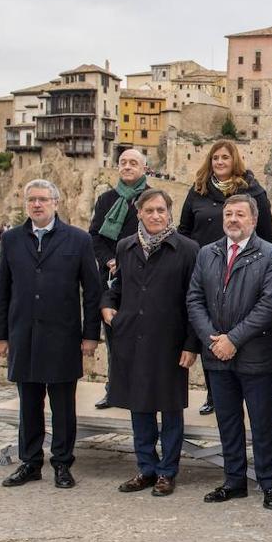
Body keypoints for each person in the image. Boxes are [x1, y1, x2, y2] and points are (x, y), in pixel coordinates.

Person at [0, 179, 101, 489]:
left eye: (43, 199)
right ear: (26, 204)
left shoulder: (78, 240)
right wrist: (0, 335)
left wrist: (90, 335)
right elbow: (3, 290)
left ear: (56, 202)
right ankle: (30, 462)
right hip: (23, 335)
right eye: (32, 200)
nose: (37, 205)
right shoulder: (12, 239)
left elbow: (92, 292)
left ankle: (62, 463)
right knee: (28, 404)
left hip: (63, 336)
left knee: (63, 406)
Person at [186, 194, 272, 509]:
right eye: (228, 214)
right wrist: (212, 338)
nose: (232, 219)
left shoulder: (271, 255)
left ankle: (269, 484)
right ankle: (234, 481)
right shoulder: (207, 253)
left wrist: (234, 339)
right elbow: (194, 298)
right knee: (227, 422)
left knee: (262, 424)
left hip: (256, 356)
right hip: (217, 355)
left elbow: (269, 305)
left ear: (253, 220)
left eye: (239, 214)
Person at [100, 189, 200, 497]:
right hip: (131, 338)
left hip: (169, 340)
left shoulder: (187, 249)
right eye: (149, 210)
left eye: (161, 210)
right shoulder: (126, 246)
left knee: (170, 409)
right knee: (138, 407)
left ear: (169, 213)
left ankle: (167, 472)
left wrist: (191, 344)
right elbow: (114, 288)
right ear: (139, 214)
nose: (155, 215)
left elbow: (195, 299)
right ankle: (146, 468)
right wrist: (107, 306)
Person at [178, 140, 272, 415]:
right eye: (215, 158)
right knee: (208, 328)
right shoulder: (198, 190)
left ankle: (237, 394)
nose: (220, 162)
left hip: (246, 268)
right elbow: (184, 229)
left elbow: (266, 234)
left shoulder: (252, 191)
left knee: (238, 329)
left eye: (225, 157)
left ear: (235, 161)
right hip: (206, 267)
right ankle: (213, 393)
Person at [89, 148, 150, 410]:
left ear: (144, 169)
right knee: (114, 337)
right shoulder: (106, 200)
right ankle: (113, 390)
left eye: (133, 163)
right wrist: (110, 260)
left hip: (143, 279)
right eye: (123, 162)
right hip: (113, 278)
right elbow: (95, 236)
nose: (127, 166)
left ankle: (142, 391)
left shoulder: (151, 199)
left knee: (144, 339)